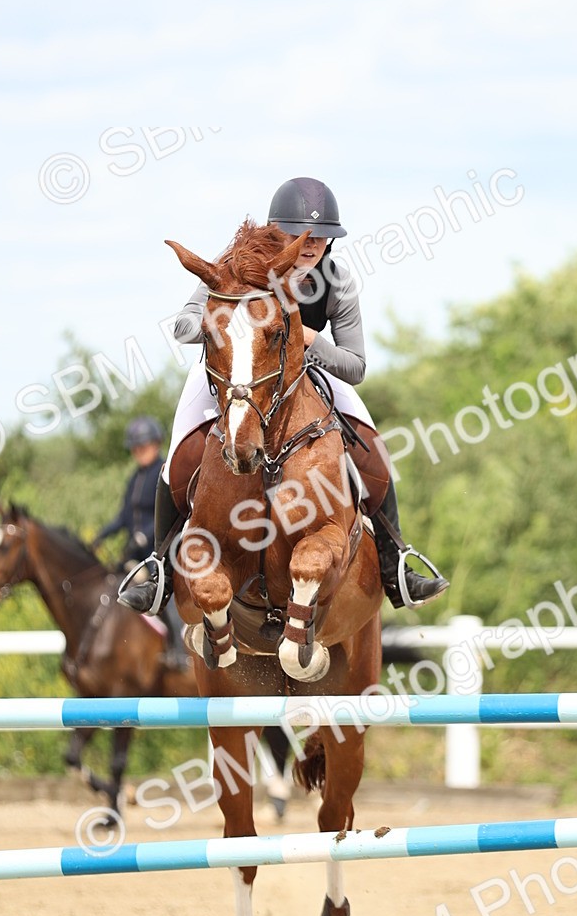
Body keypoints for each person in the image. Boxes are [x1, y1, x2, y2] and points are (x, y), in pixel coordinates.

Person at [119, 177, 449, 615]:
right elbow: (182, 325)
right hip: (233, 374)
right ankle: (159, 567)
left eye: (321, 236)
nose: (310, 245)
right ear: (278, 232)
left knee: (370, 447)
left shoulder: (336, 280)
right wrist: (230, 332)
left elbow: (356, 366)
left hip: (304, 375)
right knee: (179, 452)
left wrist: (312, 341)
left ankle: (396, 562)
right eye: (298, 234)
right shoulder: (235, 267)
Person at [94, 415, 189, 670]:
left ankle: (180, 653)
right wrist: (102, 535)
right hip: (135, 551)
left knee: (161, 592)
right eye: (135, 448)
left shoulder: (164, 473)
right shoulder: (135, 479)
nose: (139, 452)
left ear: (156, 444)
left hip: (159, 549)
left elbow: (165, 514)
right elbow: (124, 516)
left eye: (143, 446)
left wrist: (143, 536)